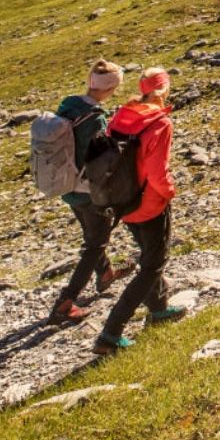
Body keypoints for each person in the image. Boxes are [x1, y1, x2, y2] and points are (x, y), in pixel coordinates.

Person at [95, 66, 184, 352]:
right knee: (153, 265)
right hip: (150, 202)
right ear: (165, 89)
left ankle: (158, 309)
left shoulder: (122, 116)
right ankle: (111, 332)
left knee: (148, 253)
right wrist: (170, 192)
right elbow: (158, 172)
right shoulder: (159, 123)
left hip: (122, 200)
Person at [48, 60, 134, 325]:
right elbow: (97, 160)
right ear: (111, 89)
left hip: (66, 185)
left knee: (91, 233)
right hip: (88, 190)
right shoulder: (95, 118)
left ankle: (106, 273)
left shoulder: (69, 104)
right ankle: (66, 301)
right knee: (96, 244)